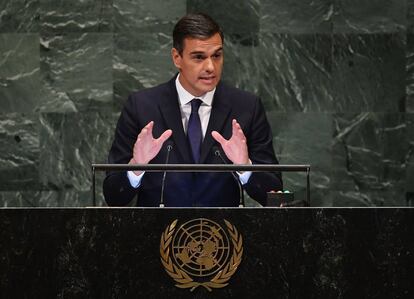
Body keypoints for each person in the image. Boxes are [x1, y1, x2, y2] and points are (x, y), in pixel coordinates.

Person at [103, 13, 282, 207]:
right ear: (177, 58)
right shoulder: (141, 106)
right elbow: (113, 196)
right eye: (198, 57)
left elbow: (274, 195)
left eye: (217, 55)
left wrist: (245, 167)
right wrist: (136, 167)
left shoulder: (247, 107)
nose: (211, 67)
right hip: (157, 233)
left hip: (223, 234)